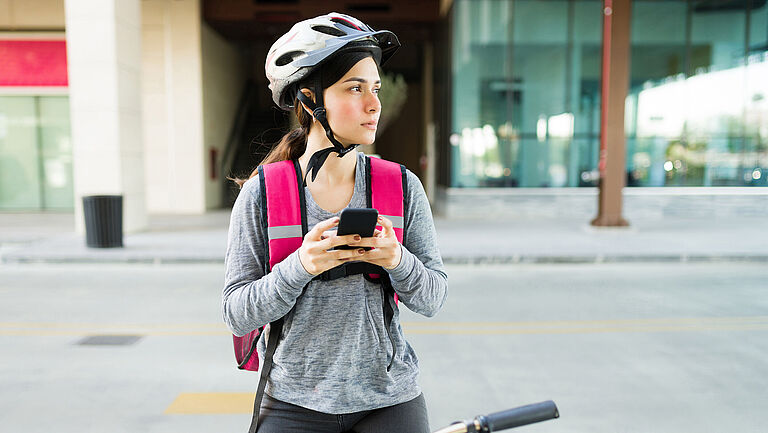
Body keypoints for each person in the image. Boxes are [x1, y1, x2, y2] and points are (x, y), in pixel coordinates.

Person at [222, 12, 448, 433]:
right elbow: (237, 313)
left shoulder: (401, 186)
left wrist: (397, 260)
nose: (374, 103)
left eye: (375, 88)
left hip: (390, 400)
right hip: (292, 404)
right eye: (355, 88)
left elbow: (433, 298)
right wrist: (301, 266)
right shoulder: (264, 194)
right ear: (310, 100)